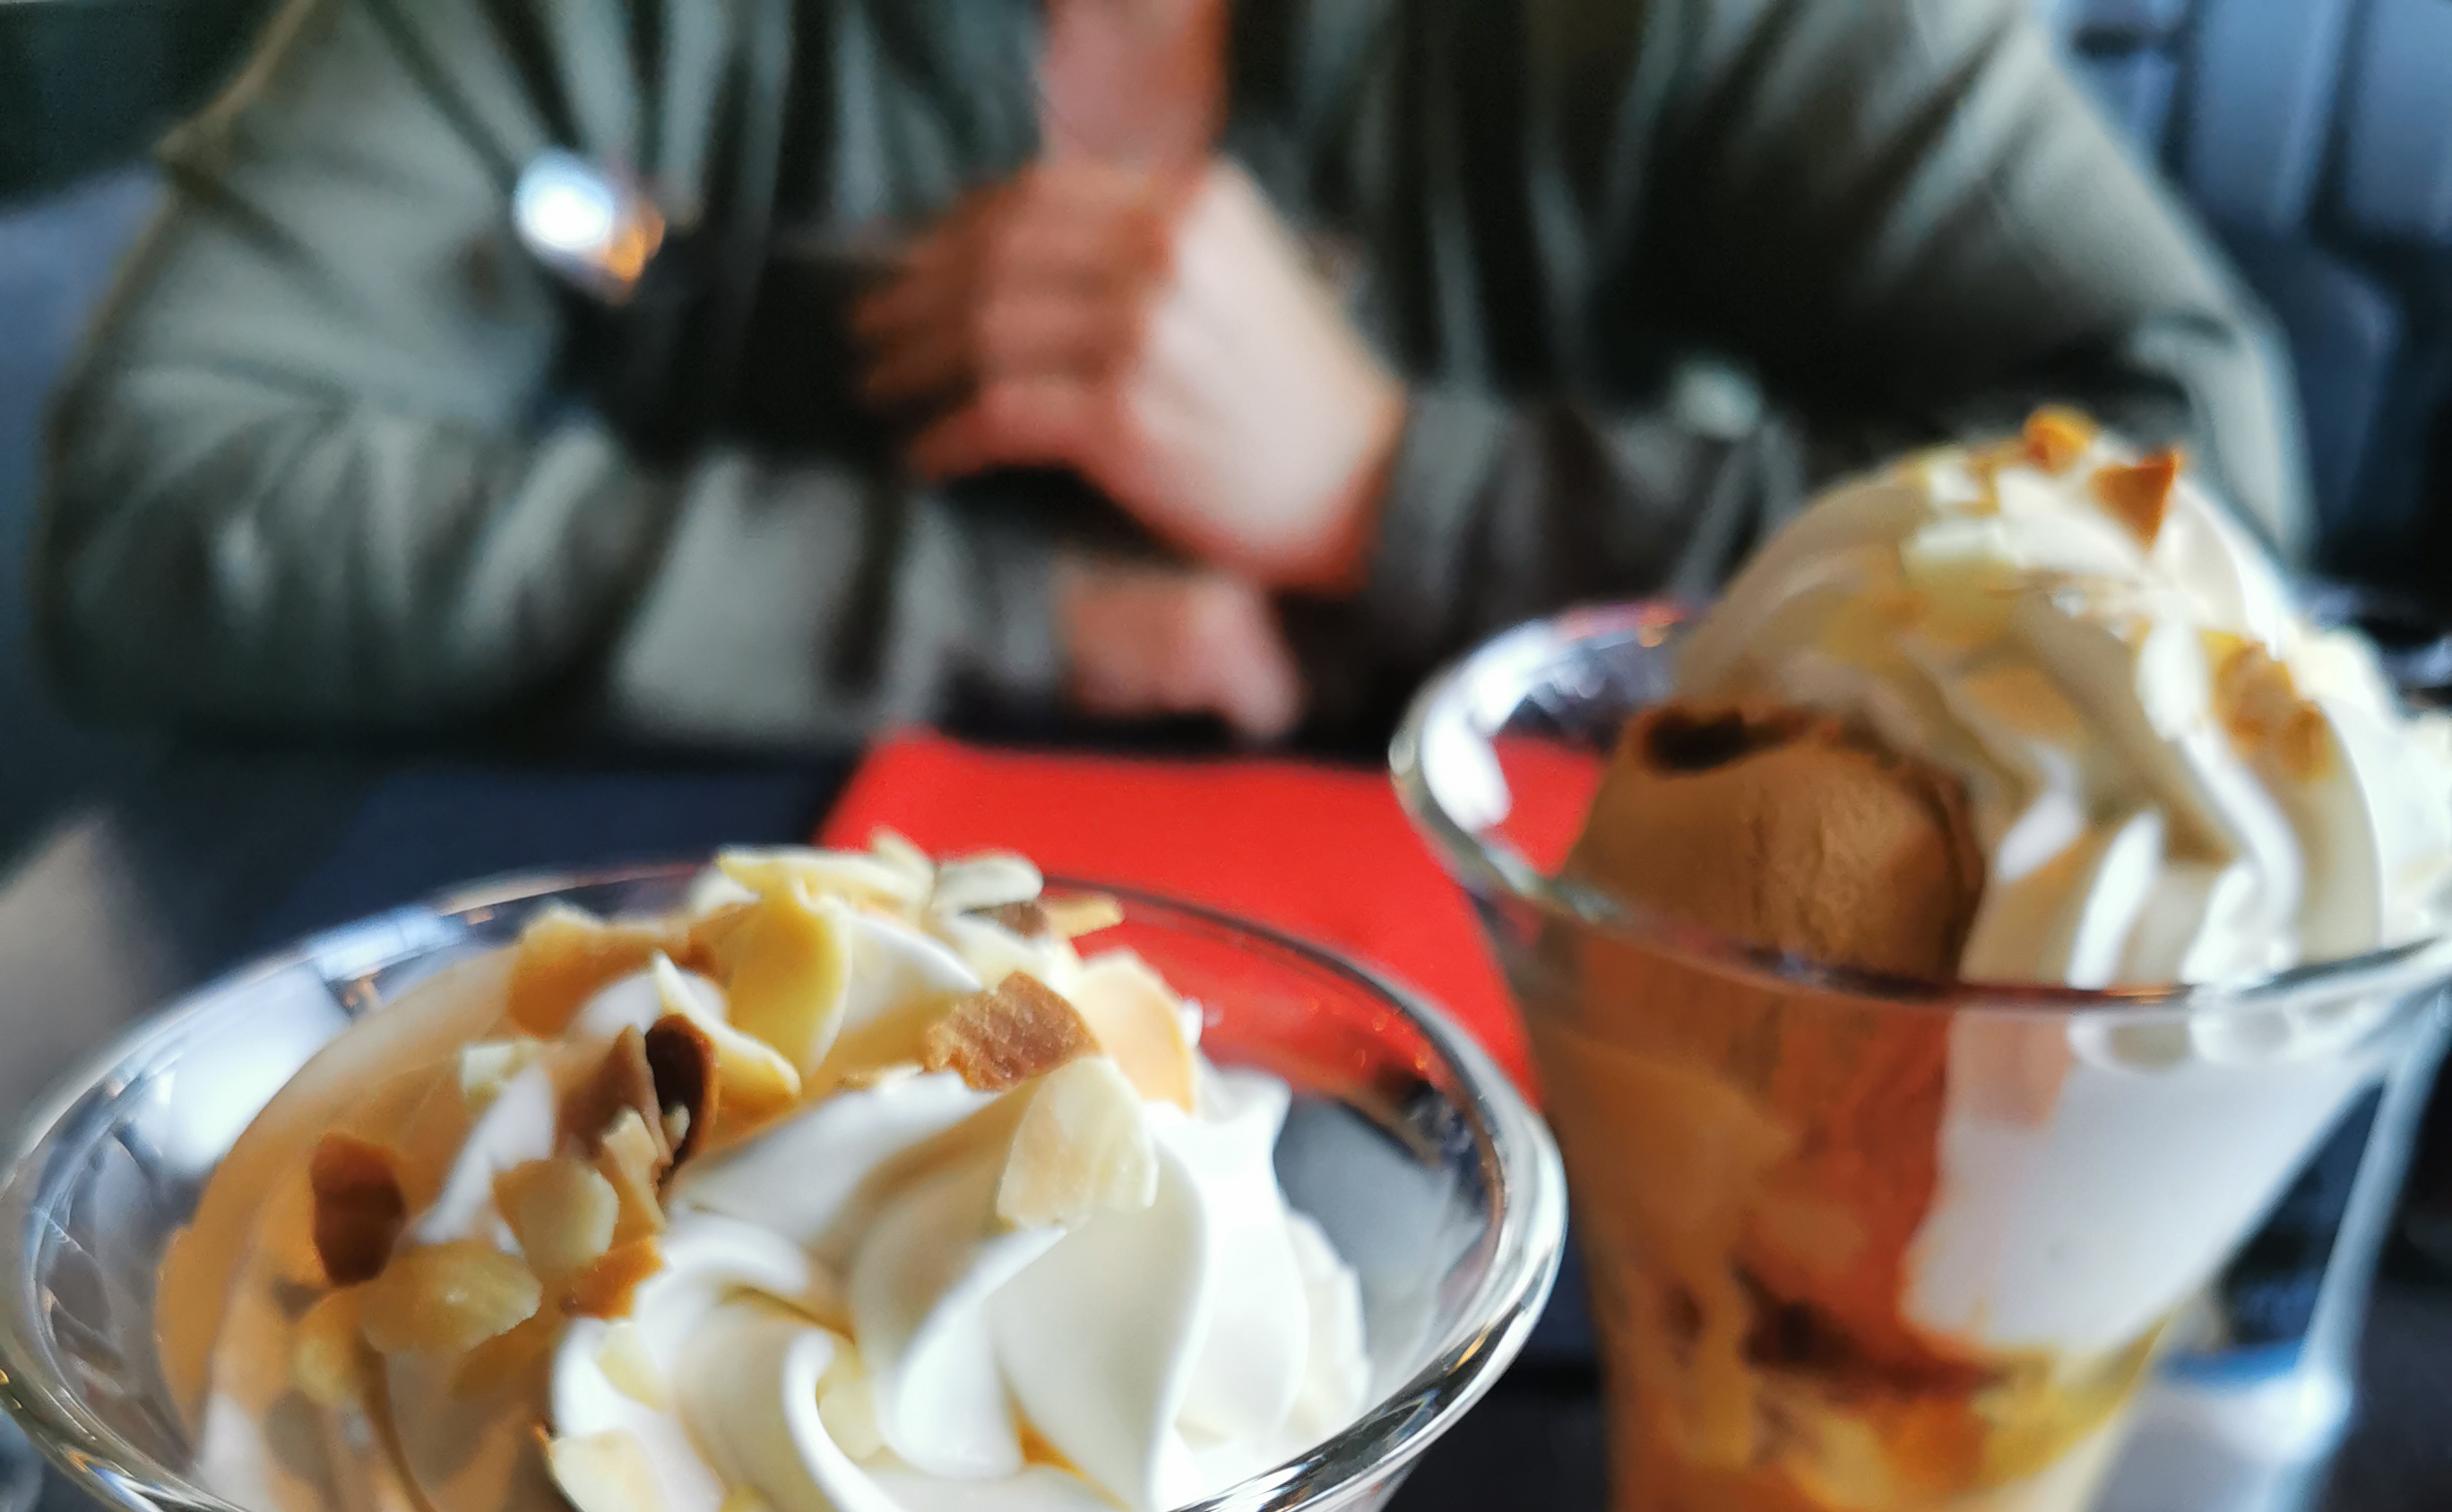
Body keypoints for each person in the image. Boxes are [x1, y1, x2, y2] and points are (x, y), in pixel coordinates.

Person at [35, 0, 2307, 753]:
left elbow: (2197, 496)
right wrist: (1025, 616)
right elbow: (163, 496)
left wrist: (1386, 483)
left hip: (1579, 1101)